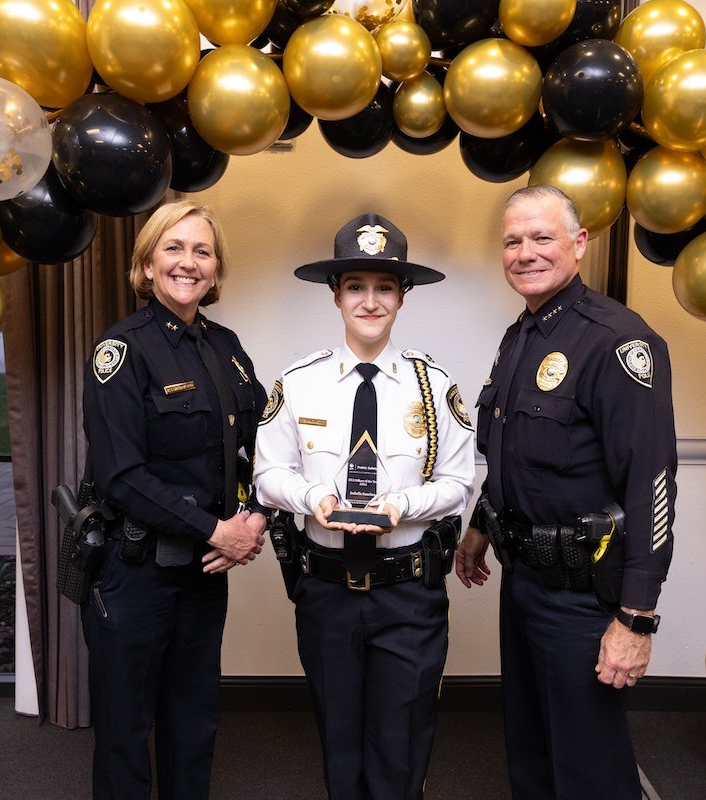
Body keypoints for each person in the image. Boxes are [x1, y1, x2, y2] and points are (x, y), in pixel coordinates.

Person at [455, 184, 677, 798]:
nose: (525, 253)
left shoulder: (617, 342)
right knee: (529, 747)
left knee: (588, 765)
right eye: (512, 241)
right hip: (522, 577)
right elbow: (510, 455)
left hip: (583, 594)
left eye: (541, 237)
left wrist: (636, 618)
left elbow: (651, 486)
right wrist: (481, 524)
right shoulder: (519, 337)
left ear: (579, 243)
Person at [254, 212, 476, 800]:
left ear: (403, 297)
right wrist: (312, 497)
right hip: (325, 589)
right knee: (340, 736)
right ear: (335, 294)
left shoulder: (434, 386)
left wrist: (404, 504)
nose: (370, 301)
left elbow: (457, 483)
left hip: (407, 590)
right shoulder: (298, 383)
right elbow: (266, 474)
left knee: (399, 740)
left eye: (384, 288)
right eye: (356, 286)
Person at [79, 199, 266, 800]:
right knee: (126, 731)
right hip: (133, 572)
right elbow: (120, 476)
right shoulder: (122, 351)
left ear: (215, 269)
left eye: (202, 251)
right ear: (147, 263)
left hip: (203, 573)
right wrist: (217, 530)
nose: (189, 262)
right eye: (174, 248)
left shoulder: (227, 346)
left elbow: (264, 443)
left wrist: (256, 515)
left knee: (194, 719)